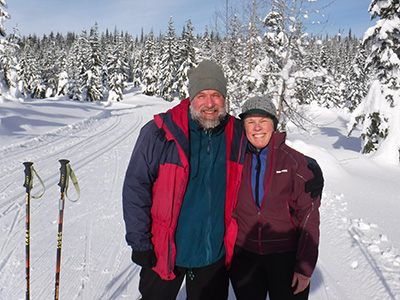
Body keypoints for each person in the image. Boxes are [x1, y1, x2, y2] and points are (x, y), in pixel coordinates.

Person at [122, 60, 323, 300]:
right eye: (202, 95)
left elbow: (266, 143)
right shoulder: (161, 133)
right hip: (165, 251)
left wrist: (311, 168)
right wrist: (139, 241)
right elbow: (135, 188)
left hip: (212, 257)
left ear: (224, 99)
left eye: (216, 95)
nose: (209, 103)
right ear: (190, 98)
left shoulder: (234, 131)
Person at [228, 95, 322, 300]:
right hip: (245, 256)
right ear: (243, 127)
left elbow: (308, 216)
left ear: (274, 125)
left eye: (264, 121)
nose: (257, 127)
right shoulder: (234, 159)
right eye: (250, 122)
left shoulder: (294, 163)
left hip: (284, 255)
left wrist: (305, 266)